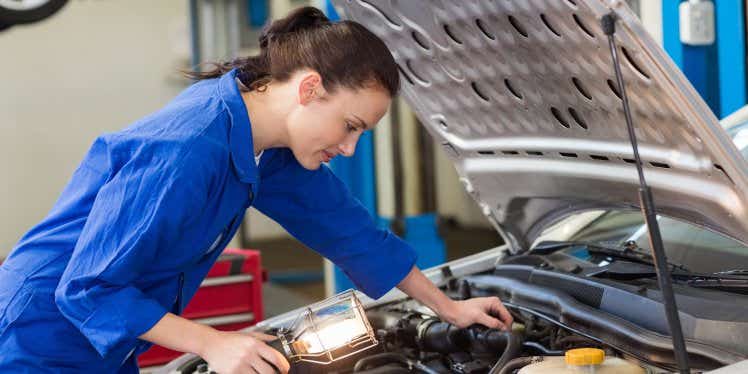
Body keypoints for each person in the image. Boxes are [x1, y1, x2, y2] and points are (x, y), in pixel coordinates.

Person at [0, 6, 513, 374]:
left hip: (107, 341)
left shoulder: (267, 147)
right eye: (349, 125)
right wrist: (213, 344)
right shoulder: (189, 147)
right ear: (310, 89)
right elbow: (87, 288)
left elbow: (349, 231)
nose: (351, 147)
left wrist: (447, 308)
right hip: (38, 334)